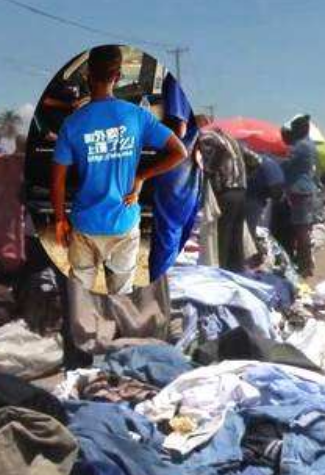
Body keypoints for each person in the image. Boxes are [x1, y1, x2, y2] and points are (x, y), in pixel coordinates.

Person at [51, 45, 187, 295]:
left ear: (87, 75)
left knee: (78, 297)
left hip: (85, 223)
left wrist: (60, 220)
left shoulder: (72, 124)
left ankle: (81, 332)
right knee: (121, 298)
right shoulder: (137, 116)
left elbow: (57, 181)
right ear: (118, 76)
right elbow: (180, 151)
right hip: (124, 221)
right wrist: (141, 175)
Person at [147, 73, 200, 282]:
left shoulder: (177, 78)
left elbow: (179, 128)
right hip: (194, 167)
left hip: (177, 165)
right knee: (180, 230)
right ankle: (167, 287)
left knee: (168, 232)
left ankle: (159, 288)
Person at [196, 123, 259, 272]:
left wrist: (209, 171)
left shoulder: (207, 136)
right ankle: (236, 272)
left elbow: (218, 152)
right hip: (241, 192)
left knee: (221, 238)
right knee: (235, 238)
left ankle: (222, 273)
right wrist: (241, 177)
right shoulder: (230, 138)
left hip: (225, 193)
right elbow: (255, 159)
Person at [279, 114, 318, 278]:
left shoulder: (300, 146)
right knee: (303, 229)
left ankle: (305, 266)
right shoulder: (309, 144)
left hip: (299, 191)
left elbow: (285, 164)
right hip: (305, 190)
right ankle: (305, 263)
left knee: (301, 230)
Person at [245, 154, 285, 232]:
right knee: (250, 229)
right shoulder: (270, 163)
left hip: (253, 197)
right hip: (254, 198)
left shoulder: (264, 162)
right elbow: (275, 190)